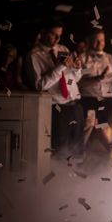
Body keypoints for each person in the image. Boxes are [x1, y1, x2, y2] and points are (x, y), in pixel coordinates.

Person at [25, 19, 84, 156]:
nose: (57, 38)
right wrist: (61, 67)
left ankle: (75, 177)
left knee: (77, 152)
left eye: (60, 35)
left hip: (75, 105)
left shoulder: (63, 49)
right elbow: (40, 85)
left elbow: (73, 80)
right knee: (60, 151)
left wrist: (77, 69)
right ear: (43, 33)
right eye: (53, 34)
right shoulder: (34, 56)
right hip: (57, 109)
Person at [78, 29, 112, 123]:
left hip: (109, 102)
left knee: (106, 134)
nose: (100, 43)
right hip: (88, 100)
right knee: (90, 133)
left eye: (102, 40)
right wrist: (97, 79)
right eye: (96, 41)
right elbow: (77, 83)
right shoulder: (81, 59)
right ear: (89, 41)